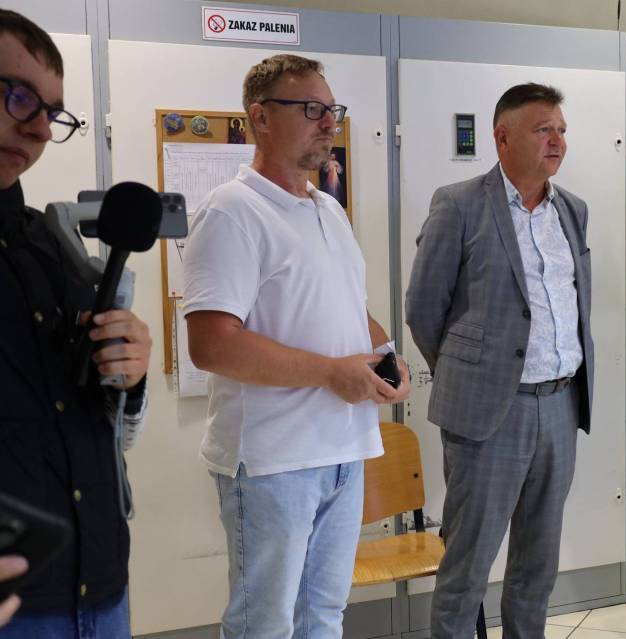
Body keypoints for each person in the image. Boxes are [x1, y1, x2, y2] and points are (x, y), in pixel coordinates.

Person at [183, 54, 410, 638]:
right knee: (264, 626)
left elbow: (347, 307)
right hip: (272, 462)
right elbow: (212, 345)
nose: (329, 122)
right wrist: (332, 373)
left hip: (344, 449)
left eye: (332, 109)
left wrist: (388, 355)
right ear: (260, 117)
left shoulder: (327, 209)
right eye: (311, 109)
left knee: (324, 618)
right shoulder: (231, 210)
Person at [406, 82, 595, 639]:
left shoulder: (572, 210)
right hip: (490, 411)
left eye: (561, 130)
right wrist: (472, 377)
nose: (557, 141)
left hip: (560, 404)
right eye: (543, 130)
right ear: (502, 137)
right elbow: (424, 309)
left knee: (538, 563)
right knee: (467, 566)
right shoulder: (459, 204)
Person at [0, 9, 152, 637]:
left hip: (98, 587)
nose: (38, 127)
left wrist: (130, 377)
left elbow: (111, 431)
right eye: (17, 95)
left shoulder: (53, 247)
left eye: (52, 112)